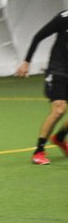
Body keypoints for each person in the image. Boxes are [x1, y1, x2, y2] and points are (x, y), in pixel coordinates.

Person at [17, 9, 68, 165]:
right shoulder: (63, 18)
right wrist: (26, 62)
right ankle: (39, 151)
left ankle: (59, 138)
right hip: (58, 70)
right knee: (59, 109)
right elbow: (38, 36)